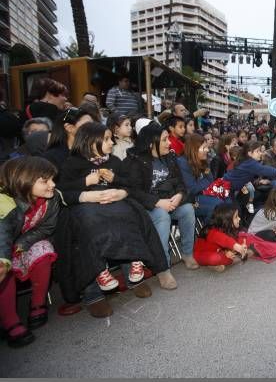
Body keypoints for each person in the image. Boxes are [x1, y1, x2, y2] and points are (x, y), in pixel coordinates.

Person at [55, 123, 169, 315]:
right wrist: (85, 186)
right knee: (88, 225)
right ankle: (96, 285)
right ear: (91, 142)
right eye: (106, 139)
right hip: (84, 207)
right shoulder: (72, 163)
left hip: (114, 202)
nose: (111, 142)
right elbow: (62, 192)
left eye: (110, 138)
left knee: (129, 215)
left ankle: (134, 268)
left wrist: (119, 187)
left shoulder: (114, 161)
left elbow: (132, 185)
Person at [125, 123, 198, 286]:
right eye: (165, 140)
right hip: (147, 207)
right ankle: (163, 268)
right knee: (162, 216)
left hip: (170, 201)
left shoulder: (169, 158)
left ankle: (187, 253)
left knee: (187, 209)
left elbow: (180, 183)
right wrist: (157, 202)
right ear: (152, 143)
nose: (169, 143)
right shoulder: (135, 160)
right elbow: (133, 191)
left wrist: (179, 195)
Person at [0, 157, 59, 347]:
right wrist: (6, 256)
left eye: (52, 179)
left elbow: (46, 228)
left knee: (43, 249)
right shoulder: (6, 202)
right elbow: (2, 234)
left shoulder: (52, 199)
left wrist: (23, 244)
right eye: (45, 180)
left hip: (22, 243)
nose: (52, 184)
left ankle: (38, 304)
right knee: (3, 266)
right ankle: (10, 321)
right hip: (3, 247)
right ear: (23, 180)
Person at [193, 203, 276, 272]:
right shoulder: (212, 232)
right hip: (203, 255)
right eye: (236, 217)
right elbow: (224, 240)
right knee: (215, 258)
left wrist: (228, 251)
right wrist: (237, 248)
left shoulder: (228, 229)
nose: (239, 218)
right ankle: (229, 259)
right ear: (227, 220)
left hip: (222, 251)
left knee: (246, 237)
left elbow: (228, 242)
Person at [176, 134, 222, 222]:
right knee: (218, 206)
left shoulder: (202, 160)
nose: (207, 150)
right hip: (189, 199)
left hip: (200, 195)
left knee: (226, 200)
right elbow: (192, 188)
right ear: (195, 149)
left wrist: (205, 178)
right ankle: (207, 232)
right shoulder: (183, 163)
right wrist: (205, 181)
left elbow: (210, 180)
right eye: (204, 148)